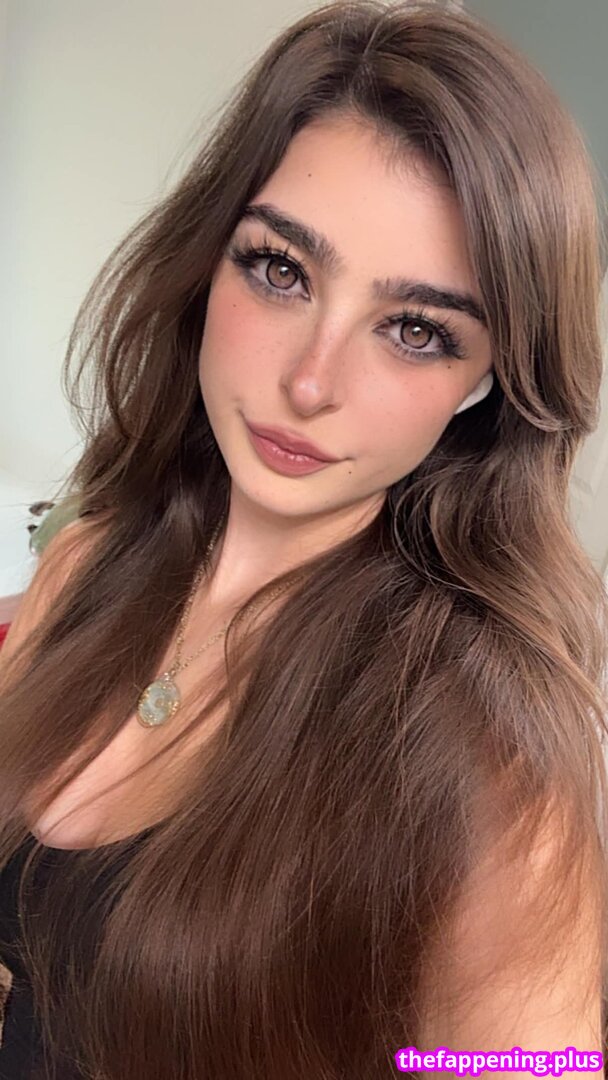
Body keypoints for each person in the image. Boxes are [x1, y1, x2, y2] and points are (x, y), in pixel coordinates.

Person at [0, 0, 607, 1076]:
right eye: (281, 270)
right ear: (208, 259)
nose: (311, 382)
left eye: (414, 330)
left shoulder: (487, 760)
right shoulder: (88, 564)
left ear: (484, 384)